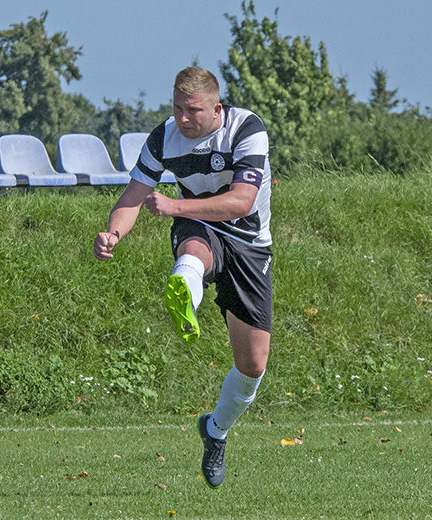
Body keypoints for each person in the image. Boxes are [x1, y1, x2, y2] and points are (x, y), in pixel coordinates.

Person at [93, 66, 273, 488]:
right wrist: (113, 233)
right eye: (177, 108)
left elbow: (242, 201)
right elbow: (132, 197)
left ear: (217, 108)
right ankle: (185, 295)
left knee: (253, 364)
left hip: (249, 242)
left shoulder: (246, 129)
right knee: (194, 249)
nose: (183, 118)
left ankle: (215, 430)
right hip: (199, 226)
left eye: (193, 110)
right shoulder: (163, 137)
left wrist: (175, 206)